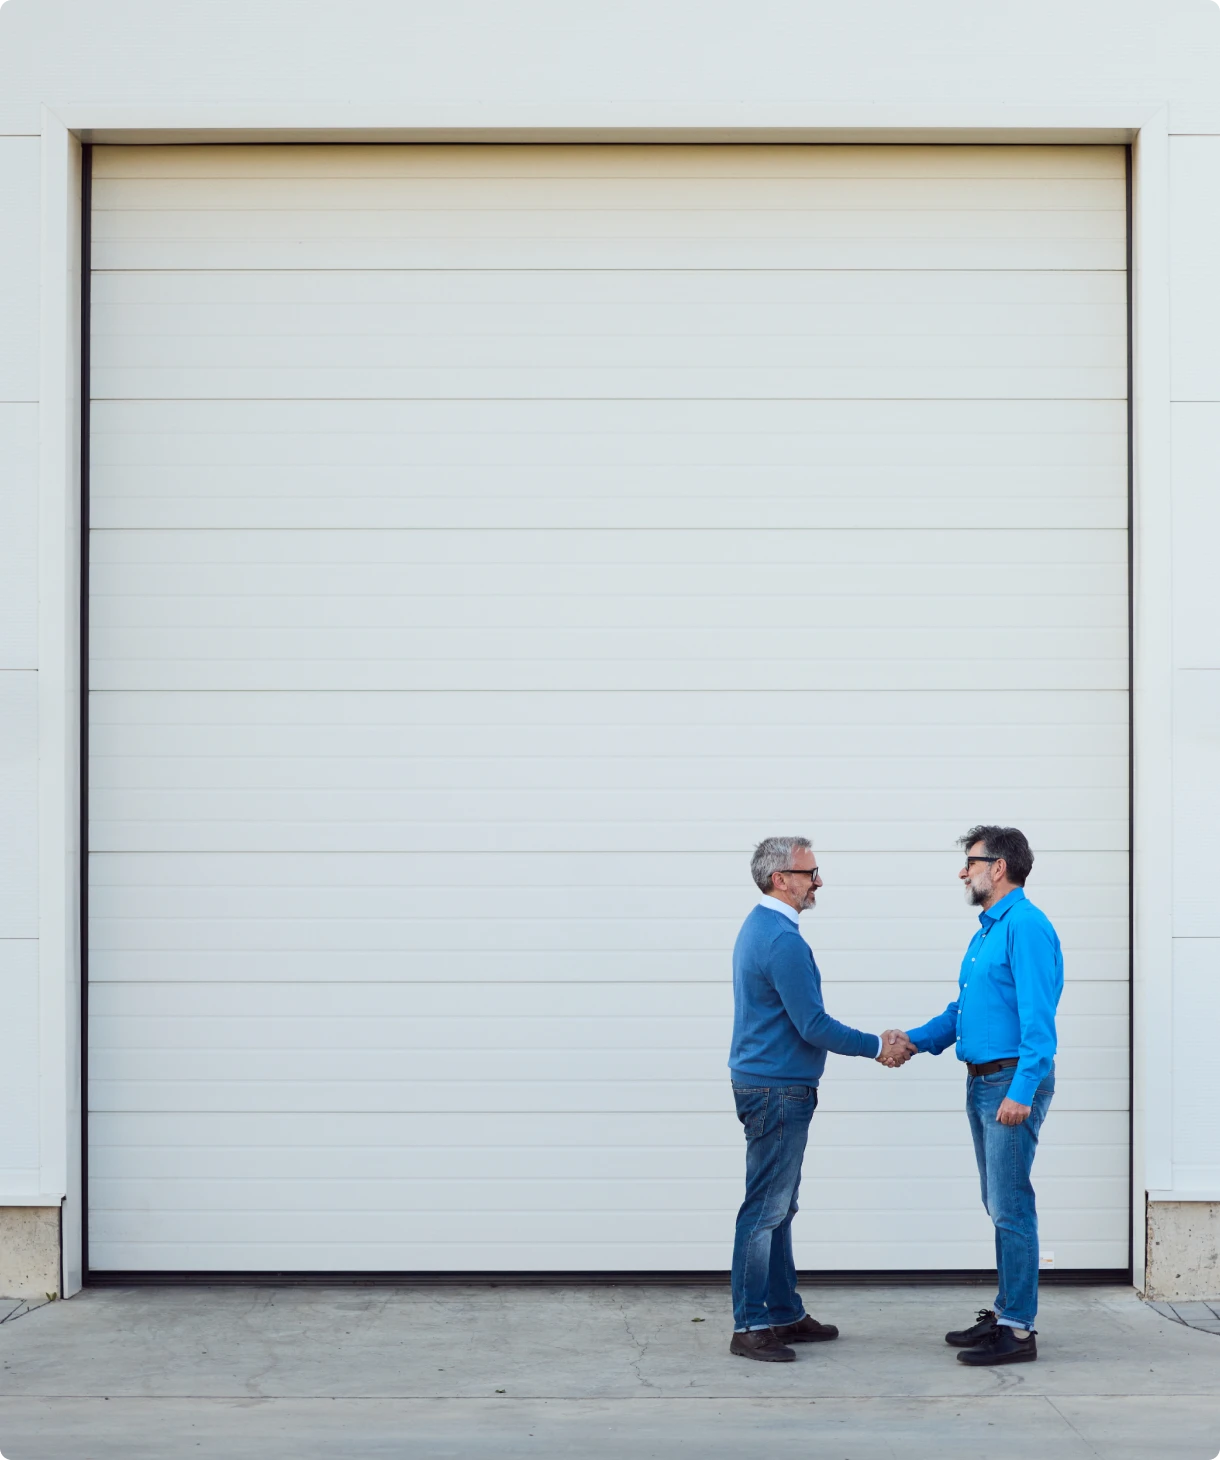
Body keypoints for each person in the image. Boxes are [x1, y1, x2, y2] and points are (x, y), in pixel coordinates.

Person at [882, 825, 1062, 1366]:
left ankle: (1019, 1331)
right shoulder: (987, 931)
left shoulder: (1025, 927)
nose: (964, 872)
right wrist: (913, 1041)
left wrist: (1023, 1089)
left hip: (1008, 1084)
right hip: (982, 1081)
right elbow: (963, 1014)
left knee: (1011, 1207)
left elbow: (1039, 1021)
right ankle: (1007, 1312)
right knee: (998, 1203)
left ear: (998, 866)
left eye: (971, 862)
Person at [728, 835, 912, 1362]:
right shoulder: (780, 939)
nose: (818, 881)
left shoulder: (761, 927)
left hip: (770, 1083)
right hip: (777, 1089)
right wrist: (879, 1046)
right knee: (765, 1210)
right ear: (779, 879)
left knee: (779, 1208)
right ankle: (750, 1325)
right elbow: (812, 1025)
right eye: (810, 873)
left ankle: (783, 1312)